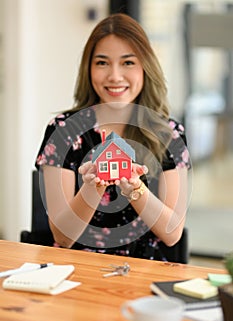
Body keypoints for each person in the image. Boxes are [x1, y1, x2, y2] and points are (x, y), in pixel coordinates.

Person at [35, 13, 191, 260]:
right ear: (89, 68)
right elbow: (62, 238)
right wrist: (92, 186)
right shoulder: (63, 130)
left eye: (128, 62)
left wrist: (134, 187)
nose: (115, 76)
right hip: (77, 270)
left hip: (144, 272)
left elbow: (172, 234)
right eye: (102, 63)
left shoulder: (168, 133)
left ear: (145, 66)